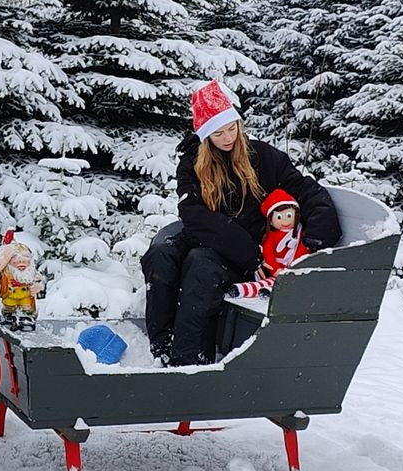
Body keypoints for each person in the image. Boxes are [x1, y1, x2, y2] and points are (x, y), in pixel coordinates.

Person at [141, 80, 341, 365]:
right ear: (205, 135)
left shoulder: (261, 157)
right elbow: (193, 214)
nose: (227, 138)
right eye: (218, 132)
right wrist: (242, 247)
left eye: (232, 128)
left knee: (201, 265)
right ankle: (162, 344)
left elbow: (303, 189)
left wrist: (319, 235)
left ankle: (189, 362)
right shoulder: (192, 163)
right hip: (218, 239)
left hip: (248, 253)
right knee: (161, 254)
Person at [0, 231, 43, 331]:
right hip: (9, 296)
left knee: (27, 308)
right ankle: (8, 318)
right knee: (8, 307)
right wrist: (5, 258)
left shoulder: (31, 273)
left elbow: (39, 281)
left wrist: (37, 286)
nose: (21, 264)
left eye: (24, 261)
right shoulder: (6, 273)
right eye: (17, 262)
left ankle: (26, 319)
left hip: (25, 298)